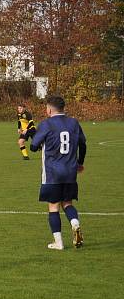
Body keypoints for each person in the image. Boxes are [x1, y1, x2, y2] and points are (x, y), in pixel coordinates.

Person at [30, 95, 86, 250]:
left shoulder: (47, 124)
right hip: (70, 172)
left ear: (49, 109)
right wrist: (80, 163)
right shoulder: (74, 123)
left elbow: (34, 146)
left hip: (52, 173)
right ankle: (75, 224)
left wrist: (38, 144)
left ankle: (59, 243)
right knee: (67, 203)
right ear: (63, 108)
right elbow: (83, 143)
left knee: (53, 206)